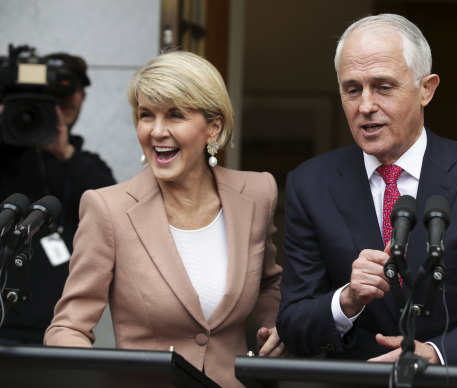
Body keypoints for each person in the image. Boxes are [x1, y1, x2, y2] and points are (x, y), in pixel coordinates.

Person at [276, 13, 457, 366]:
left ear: (427, 89)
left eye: (383, 86)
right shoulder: (311, 184)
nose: (365, 106)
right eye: (352, 89)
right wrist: (345, 301)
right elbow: (293, 323)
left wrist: (437, 354)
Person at [44, 50, 285, 388]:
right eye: (146, 115)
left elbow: (269, 283)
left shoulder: (258, 193)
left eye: (174, 115)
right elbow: (68, 327)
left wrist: (277, 326)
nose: (157, 131)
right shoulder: (107, 209)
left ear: (213, 127)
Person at [0, 52, 116, 344]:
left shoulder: (85, 164)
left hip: (60, 326)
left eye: (66, 94)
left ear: (81, 97)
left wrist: (64, 152)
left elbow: (114, 211)